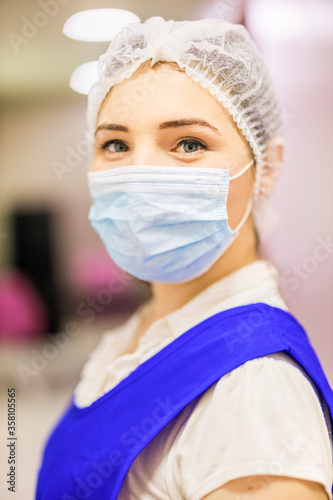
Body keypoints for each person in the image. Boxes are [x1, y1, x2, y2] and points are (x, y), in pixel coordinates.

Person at [36, 17, 333, 500]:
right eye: (116, 144)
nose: (141, 174)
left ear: (268, 167)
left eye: (189, 144)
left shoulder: (253, 390)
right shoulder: (140, 331)